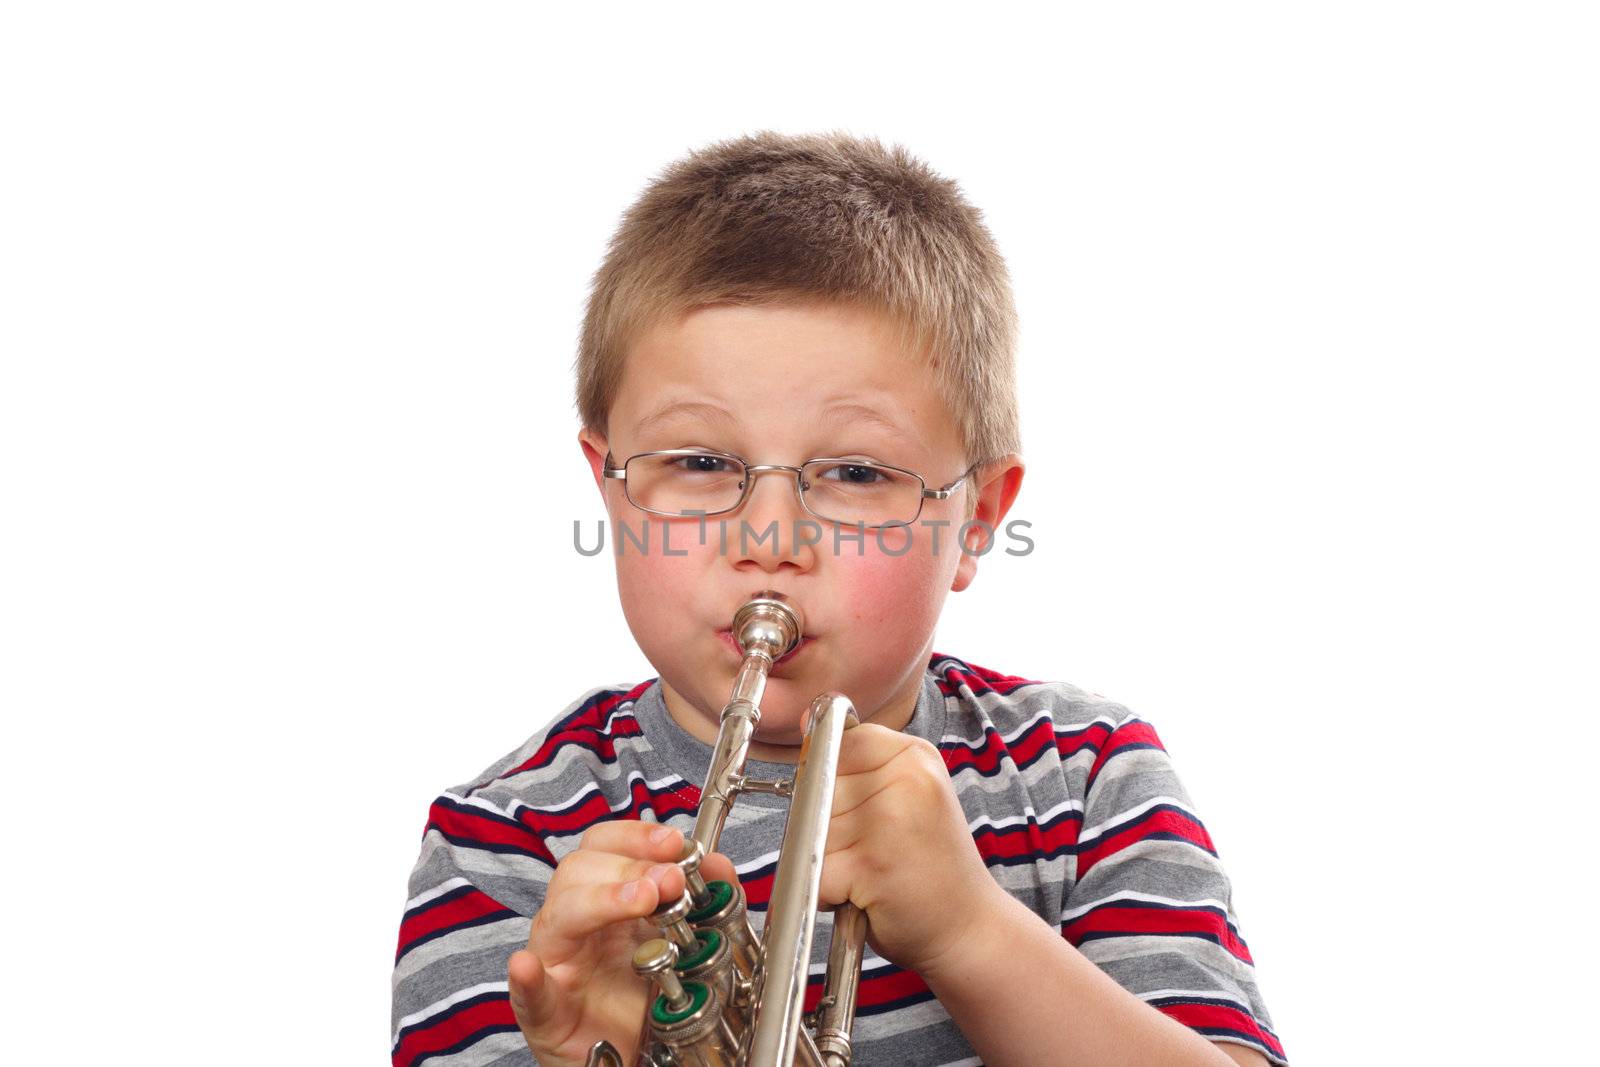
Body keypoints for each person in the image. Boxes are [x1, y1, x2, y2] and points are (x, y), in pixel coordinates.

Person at [391, 132, 1286, 1067]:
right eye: (699, 462)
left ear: (977, 518)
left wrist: (972, 931)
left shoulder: (1088, 780)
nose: (769, 539)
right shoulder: (497, 845)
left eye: (856, 472)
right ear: (610, 489)